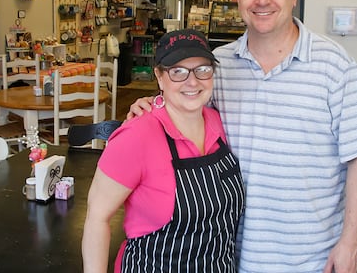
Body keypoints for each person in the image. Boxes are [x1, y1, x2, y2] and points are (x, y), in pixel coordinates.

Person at [128, 0, 357, 273]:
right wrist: (150, 105)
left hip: (309, 257)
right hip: (224, 253)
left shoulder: (336, 66)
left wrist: (350, 241)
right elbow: (186, 112)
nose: (262, 0)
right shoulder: (220, 66)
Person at [82, 28, 245, 273]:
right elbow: (97, 217)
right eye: (177, 71)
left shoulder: (219, 123)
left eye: (202, 69)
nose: (192, 81)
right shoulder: (136, 136)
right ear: (159, 76)